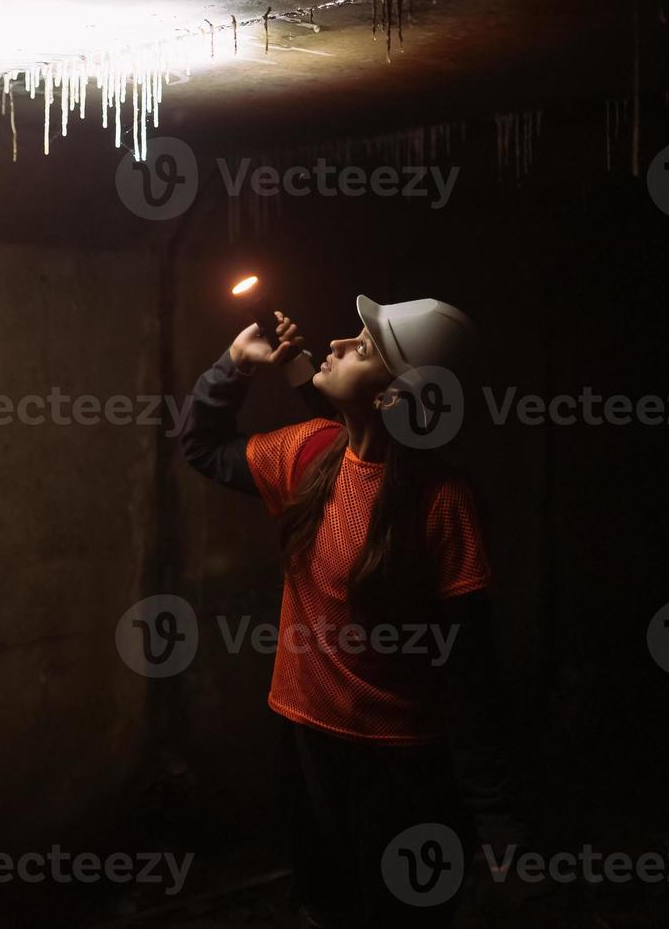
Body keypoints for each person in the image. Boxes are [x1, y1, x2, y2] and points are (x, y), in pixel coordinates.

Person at [179, 295, 493, 929]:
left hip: (401, 762)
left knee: (400, 912)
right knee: (324, 902)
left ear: (391, 398)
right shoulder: (309, 454)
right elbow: (202, 445)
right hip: (307, 736)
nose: (342, 344)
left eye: (365, 347)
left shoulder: (442, 503)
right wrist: (234, 366)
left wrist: (498, 815)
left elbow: (471, 670)